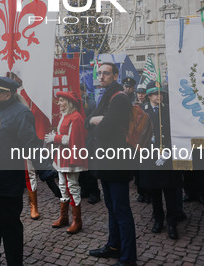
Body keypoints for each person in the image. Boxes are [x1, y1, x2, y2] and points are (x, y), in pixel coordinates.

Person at [87, 62, 137, 266]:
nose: (101, 77)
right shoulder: (106, 95)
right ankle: (113, 245)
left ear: (115, 76)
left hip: (117, 163)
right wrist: (95, 120)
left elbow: (105, 130)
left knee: (121, 209)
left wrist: (96, 122)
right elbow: (88, 120)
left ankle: (128, 258)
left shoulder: (119, 97)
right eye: (99, 73)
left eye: (106, 73)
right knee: (111, 206)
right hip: (106, 162)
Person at [0, 75, 40, 265]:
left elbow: (31, 145)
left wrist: (47, 173)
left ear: (7, 94)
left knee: (10, 229)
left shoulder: (22, 113)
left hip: (9, 184)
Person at [140, 81, 182, 240]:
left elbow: (177, 133)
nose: (159, 96)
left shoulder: (169, 110)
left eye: (161, 93)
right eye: (156, 94)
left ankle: (172, 222)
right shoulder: (142, 111)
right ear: (149, 95)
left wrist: (168, 152)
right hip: (150, 156)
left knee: (170, 191)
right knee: (154, 191)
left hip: (167, 155)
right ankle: (158, 219)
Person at [45, 90, 88, 234]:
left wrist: (55, 138)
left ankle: (77, 220)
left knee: (73, 187)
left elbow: (73, 139)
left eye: (62, 100)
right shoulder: (66, 115)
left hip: (71, 157)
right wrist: (55, 138)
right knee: (63, 186)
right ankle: (64, 217)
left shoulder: (76, 117)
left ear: (69, 103)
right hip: (63, 156)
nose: (59, 103)